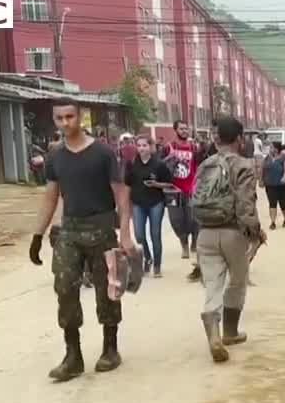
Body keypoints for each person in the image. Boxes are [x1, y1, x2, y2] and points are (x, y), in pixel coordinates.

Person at [29, 99, 138, 382]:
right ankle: (73, 355)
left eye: (70, 117)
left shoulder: (102, 153)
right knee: (64, 289)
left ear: (80, 118)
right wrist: (37, 235)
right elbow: (51, 197)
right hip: (70, 231)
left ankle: (110, 349)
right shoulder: (55, 157)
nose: (65, 123)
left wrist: (124, 233)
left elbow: (121, 195)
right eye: (59, 118)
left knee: (107, 290)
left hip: (101, 228)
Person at [193, 116, 264, 363]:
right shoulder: (243, 165)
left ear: (216, 138)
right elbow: (246, 206)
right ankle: (230, 332)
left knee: (212, 284)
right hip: (233, 233)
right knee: (237, 281)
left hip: (205, 232)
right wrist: (256, 233)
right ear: (239, 138)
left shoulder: (205, 165)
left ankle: (213, 333)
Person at [124, 135, 172, 277]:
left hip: (155, 202)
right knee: (139, 235)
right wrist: (125, 204)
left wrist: (156, 184)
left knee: (155, 235)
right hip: (138, 203)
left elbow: (169, 183)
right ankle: (148, 257)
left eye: (144, 145)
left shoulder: (159, 164)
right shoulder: (132, 164)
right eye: (139, 146)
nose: (141, 148)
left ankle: (157, 265)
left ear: (150, 147)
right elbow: (127, 184)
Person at [163, 120, 201, 281]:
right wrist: (168, 158)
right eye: (182, 129)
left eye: (187, 128)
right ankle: (183, 242)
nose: (185, 131)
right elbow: (159, 166)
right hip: (173, 190)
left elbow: (199, 166)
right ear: (175, 130)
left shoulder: (194, 147)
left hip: (190, 188)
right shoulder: (168, 147)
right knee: (176, 219)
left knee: (193, 218)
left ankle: (193, 241)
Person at [263, 141, 285, 229]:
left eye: (271, 147)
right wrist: (261, 179)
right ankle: (273, 222)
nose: (270, 149)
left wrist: (283, 177)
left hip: (281, 185)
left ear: (276, 149)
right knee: (272, 203)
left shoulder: (284, 157)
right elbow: (263, 169)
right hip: (270, 184)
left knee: (283, 203)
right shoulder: (267, 158)